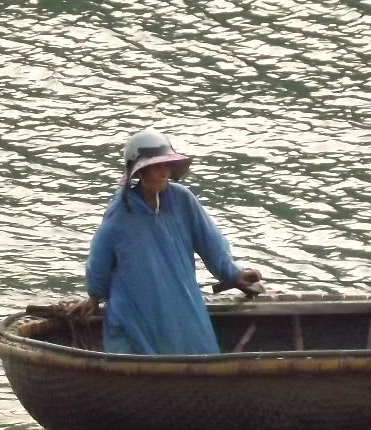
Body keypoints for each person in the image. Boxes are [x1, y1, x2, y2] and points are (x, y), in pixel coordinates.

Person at [73, 129, 261, 355]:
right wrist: (94, 297)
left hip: (178, 298)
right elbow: (100, 258)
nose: (163, 172)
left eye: (166, 165)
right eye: (156, 166)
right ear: (140, 171)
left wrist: (233, 274)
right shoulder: (122, 211)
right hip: (135, 304)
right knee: (136, 347)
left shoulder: (183, 200)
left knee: (195, 347)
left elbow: (210, 241)